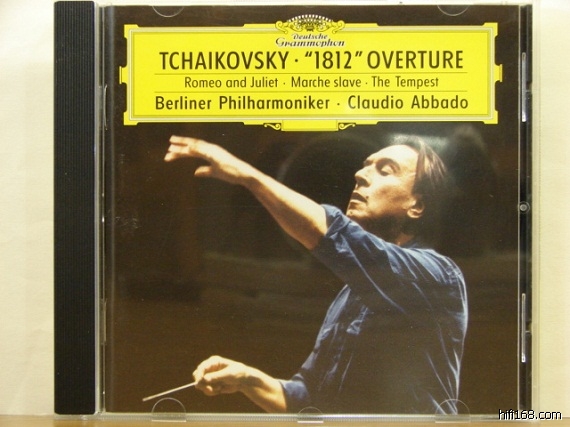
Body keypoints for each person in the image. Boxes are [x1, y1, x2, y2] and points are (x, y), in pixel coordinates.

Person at [164, 133, 468, 414]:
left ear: (417, 205)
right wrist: (246, 379)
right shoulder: (350, 294)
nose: (360, 175)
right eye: (365, 166)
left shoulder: (439, 277)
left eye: (385, 170)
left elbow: (332, 232)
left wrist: (248, 176)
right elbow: (307, 399)